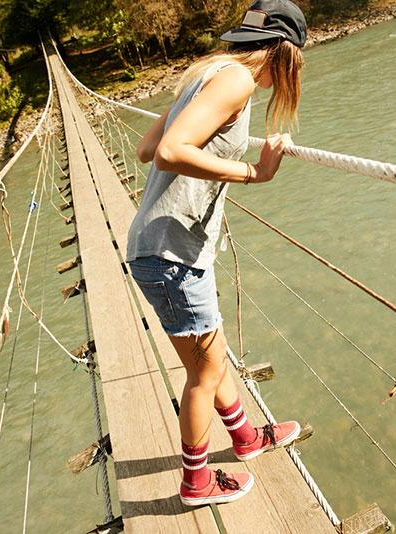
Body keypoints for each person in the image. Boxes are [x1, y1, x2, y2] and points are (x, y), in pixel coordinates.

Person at [126, 0, 307, 507]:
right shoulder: (237, 82)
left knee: (213, 358)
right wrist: (256, 172)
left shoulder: (206, 75)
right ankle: (196, 483)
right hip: (171, 255)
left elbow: (145, 149)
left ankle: (246, 439)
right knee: (203, 375)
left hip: (167, 250)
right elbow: (166, 153)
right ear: (284, 52)